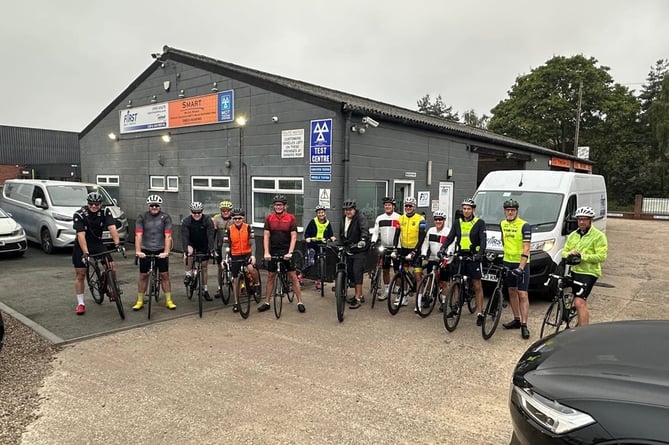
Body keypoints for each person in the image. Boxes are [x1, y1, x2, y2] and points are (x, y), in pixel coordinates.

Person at [72, 192, 124, 315]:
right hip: (82, 245)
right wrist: (85, 253)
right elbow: (80, 235)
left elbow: (112, 228)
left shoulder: (105, 212)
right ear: (87, 203)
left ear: (101, 204)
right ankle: (80, 303)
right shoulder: (79, 214)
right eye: (91, 204)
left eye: (97, 204)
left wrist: (118, 244)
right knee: (81, 274)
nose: (94, 206)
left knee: (111, 266)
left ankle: (112, 289)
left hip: (97, 243)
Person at [438, 198, 487, 324]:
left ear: (473, 210)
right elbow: (449, 238)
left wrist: (480, 254)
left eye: (469, 209)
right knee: (456, 281)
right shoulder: (457, 222)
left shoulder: (479, 223)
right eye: (464, 208)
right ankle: (456, 307)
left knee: (477, 285)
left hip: (473, 257)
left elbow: (483, 240)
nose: (466, 211)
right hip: (460, 255)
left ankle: (480, 312)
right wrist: (442, 248)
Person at [562, 206, 608, 326]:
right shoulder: (573, 235)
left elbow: (602, 256)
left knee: (579, 302)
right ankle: (577, 318)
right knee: (570, 298)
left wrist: (582, 256)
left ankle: (584, 333)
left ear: (591, 220)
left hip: (589, 273)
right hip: (575, 271)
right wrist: (569, 254)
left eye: (585, 219)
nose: (581, 222)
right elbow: (564, 252)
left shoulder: (598, 236)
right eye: (579, 219)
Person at [258, 194, 305, 313]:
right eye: (276, 205)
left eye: (280, 205)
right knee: (270, 277)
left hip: (286, 250)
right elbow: (266, 236)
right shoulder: (269, 218)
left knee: (293, 276)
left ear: (284, 206)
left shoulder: (291, 218)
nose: (278, 207)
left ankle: (300, 301)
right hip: (273, 250)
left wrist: (290, 252)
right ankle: (267, 302)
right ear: (274, 206)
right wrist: (266, 252)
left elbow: (294, 236)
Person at [133, 195, 175, 311]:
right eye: (152, 205)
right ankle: (140, 300)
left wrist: (166, 252)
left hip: (160, 249)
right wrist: (138, 251)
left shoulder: (165, 217)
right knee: (143, 276)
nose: (154, 207)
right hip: (146, 249)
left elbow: (167, 236)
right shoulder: (142, 217)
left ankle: (168, 300)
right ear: (149, 206)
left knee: (164, 275)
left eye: (156, 205)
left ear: (159, 206)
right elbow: (138, 235)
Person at [500, 198, 532, 339]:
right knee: (511, 291)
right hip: (507, 261)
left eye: (513, 210)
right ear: (505, 211)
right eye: (508, 210)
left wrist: (521, 266)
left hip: (521, 264)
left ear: (517, 211)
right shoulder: (502, 224)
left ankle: (524, 325)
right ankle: (517, 319)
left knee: (522, 294)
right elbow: (503, 241)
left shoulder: (525, 225)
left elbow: (527, 247)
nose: (510, 212)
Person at [392, 196, 426, 306]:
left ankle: (419, 302)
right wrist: (395, 249)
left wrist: (415, 251)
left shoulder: (420, 219)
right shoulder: (400, 219)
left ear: (414, 207)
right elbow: (397, 235)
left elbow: (422, 237)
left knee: (418, 275)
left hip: (415, 250)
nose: (408, 208)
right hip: (404, 249)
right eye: (406, 206)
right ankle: (404, 297)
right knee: (403, 274)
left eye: (410, 206)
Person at [227, 208, 260, 312]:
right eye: (235, 218)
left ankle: (256, 284)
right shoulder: (229, 229)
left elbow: (253, 243)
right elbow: (225, 245)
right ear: (232, 219)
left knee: (251, 269)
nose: (237, 220)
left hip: (247, 254)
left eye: (239, 218)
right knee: (235, 280)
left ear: (243, 218)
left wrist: (253, 255)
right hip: (235, 255)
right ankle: (236, 303)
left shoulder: (248, 227)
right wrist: (224, 258)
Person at [419, 209, 452, 313]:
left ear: (444, 220)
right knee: (429, 278)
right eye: (436, 219)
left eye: (440, 220)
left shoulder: (448, 232)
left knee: (444, 282)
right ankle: (428, 297)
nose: (438, 221)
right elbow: (425, 243)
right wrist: (424, 253)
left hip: (444, 259)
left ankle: (443, 300)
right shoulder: (431, 231)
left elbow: (452, 245)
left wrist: (448, 254)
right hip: (433, 257)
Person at [182, 201, 216, 301]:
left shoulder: (207, 220)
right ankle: (188, 274)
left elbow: (210, 236)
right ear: (191, 212)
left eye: (199, 212)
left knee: (204, 267)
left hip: (204, 244)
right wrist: (185, 250)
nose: (197, 214)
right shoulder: (187, 221)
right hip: (191, 242)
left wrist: (211, 249)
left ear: (202, 211)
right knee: (189, 253)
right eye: (194, 212)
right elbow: (185, 237)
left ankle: (205, 290)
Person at [340, 200, 370, 309]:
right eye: (346, 210)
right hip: (349, 248)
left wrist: (363, 240)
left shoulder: (360, 217)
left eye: (350, 210)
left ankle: (358, 298)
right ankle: (359, 294)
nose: (348, 212)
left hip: (360, 249)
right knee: (351, 272)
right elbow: (343, 232)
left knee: (357, 272)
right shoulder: (344, 219)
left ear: (354, 209)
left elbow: (364, 230)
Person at [370, 196, 401, 300]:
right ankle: (387, 290)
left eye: (389, 205)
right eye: (386, 205)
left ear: (393, 207)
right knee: (385, 270)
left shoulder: (399, 218)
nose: (387, 207)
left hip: (396, 247)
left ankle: (397, 289)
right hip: (384, 247)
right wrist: (373, 241)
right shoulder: (380, 218)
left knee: (397, 270)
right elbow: (375, 232)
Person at [303, 204, 336, 290]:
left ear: (324, 213)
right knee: (310, 262)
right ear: (316, 214)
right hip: (313, 245)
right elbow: (307, 233)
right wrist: (307, 238)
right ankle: (301, 275)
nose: (321, 214)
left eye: (322, 212)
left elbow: (330, 234)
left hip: (322, 245)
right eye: (319, 213)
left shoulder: (328, 223)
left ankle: (319, 281)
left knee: (321, 263)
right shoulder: (313, 222)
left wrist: (332, 237)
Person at [213, 200, 234, 298]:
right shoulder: (216, 219)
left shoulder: (234, 219)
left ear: (230, 211)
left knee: (236, 266)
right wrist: (212, 248)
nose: (225, 212)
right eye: (223, 210)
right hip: (220, 246)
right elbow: (213, 234)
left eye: (227, 210)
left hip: (234, 246)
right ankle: (219, 287)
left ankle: (241, 286)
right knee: (220, 268)